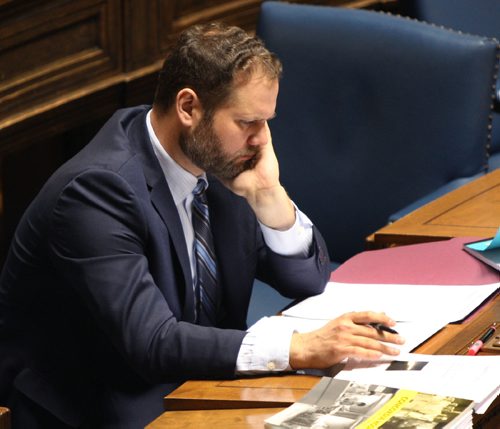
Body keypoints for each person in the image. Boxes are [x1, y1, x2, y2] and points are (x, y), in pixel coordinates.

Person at [0, 22, 404, 428]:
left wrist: (270, 193)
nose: (262, 140)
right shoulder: (97, 192)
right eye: (248, 122)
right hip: (106, 401)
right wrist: (298, 347)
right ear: (188, 108)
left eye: (267, 121)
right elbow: (152, 343)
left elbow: (307, 280)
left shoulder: (218, 164)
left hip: (200, 380)